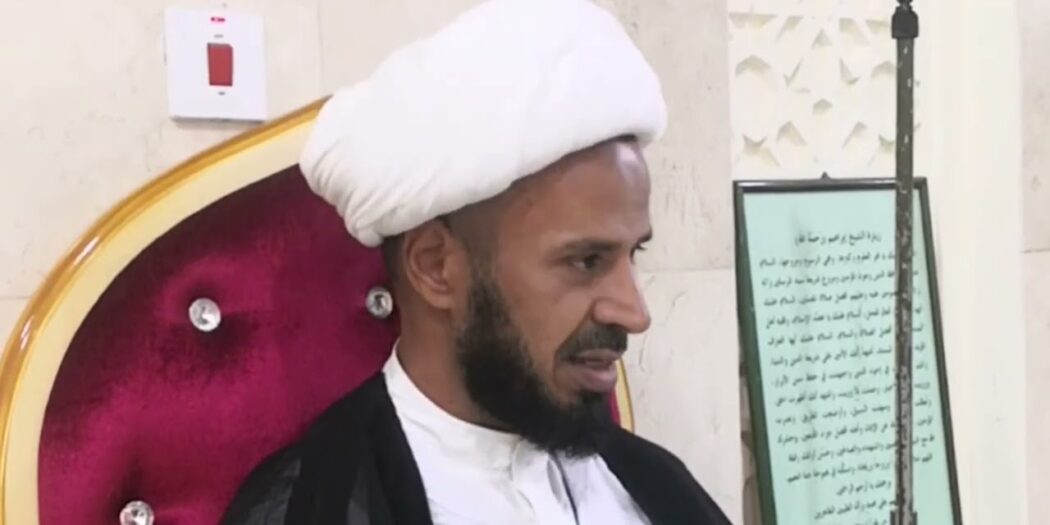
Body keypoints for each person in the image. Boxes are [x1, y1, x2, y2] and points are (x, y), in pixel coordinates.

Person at [222, 0, 732, 523]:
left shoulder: (656, 483)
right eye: (585, 261)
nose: (635, 313)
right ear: (435, 268)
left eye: (633, 254)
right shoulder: (313, 505)